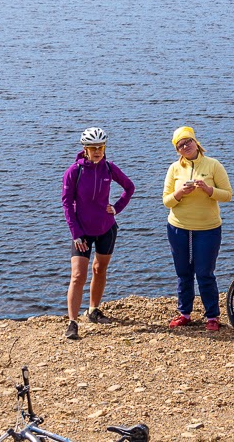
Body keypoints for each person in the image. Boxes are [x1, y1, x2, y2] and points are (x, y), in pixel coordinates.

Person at [61, 127, 135, 341]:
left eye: (100, 147)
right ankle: (72, 322)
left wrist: (117, 207)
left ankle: (93, 310)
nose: (97, 151)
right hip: (82, 232)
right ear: (85, 149)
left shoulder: (109, 169)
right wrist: (75, 233)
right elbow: (67, 204)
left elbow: (129, 187)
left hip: (106, 228)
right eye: (93, 148)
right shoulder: (74, 171)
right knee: (77, 275)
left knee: (99, 269)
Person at [162, 126, 232, 332]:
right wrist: (180, 193)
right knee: (183, 273)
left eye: (188, 142)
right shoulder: (174, 169)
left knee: (204, 273)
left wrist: (209, 190)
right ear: (177, 150)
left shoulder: (213, 165)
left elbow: (227, 194)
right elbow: (166, 201)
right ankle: (185, 313)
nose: (186, 147)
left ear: (196, 142)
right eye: (180, 145)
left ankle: (212, 316)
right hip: (178, 227)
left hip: (208, 228)